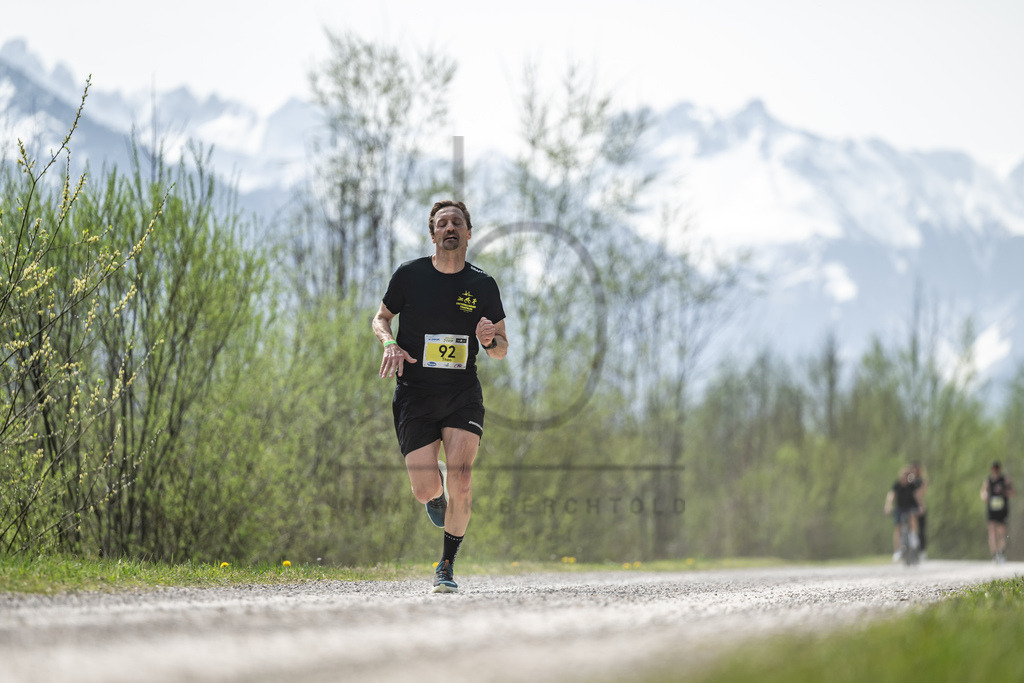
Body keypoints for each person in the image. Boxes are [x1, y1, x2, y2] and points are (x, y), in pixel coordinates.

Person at [372, 199, 507, 593]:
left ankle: (446, 565)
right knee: (426, 488)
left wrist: (491, 340)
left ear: (468, 233)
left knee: (462, 477)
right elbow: (381, 317)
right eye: (442, 223)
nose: (450, 228)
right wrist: (389, 343)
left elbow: (501, 347)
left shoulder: (483, 285)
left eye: (457, 223)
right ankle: (435, 497)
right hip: (415, 393)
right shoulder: (409, 275)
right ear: (432, 234)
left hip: (461, 392)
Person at [884, 466, 922, 561]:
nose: (904, 478)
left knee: (912, 517)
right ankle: (897, 551)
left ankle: (913, 536)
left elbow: (917, 495)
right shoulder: (897, 485)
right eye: (903, 476)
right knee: (898, 528)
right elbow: (891, 495)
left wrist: (921, 506)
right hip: (900, 508)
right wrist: (888, 505)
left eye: (906, 475)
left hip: (911, 507)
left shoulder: (912, 485)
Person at [980, 461, 1015, 563]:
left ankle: (1000, 552)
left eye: (997, 469)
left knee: (1002, 533)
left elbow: (1012, 492)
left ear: (999, 470)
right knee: (992, 532)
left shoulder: (1005, 480)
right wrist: (984, 495)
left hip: (1002, 510)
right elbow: (983, 492)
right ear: (991, 470)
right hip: (992, 510)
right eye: (993, 469)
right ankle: (995, 554)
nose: (995, 471)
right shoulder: (988, 481)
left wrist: (1004, 491)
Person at [908, 460, 929, 560]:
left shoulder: (922, 481)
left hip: (919, 505)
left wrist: (921, 505)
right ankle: (910, 547)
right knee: (911, 527)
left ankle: (922, 550)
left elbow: (921, 493)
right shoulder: (908, 481)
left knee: (922, 529)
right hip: (910, 505)